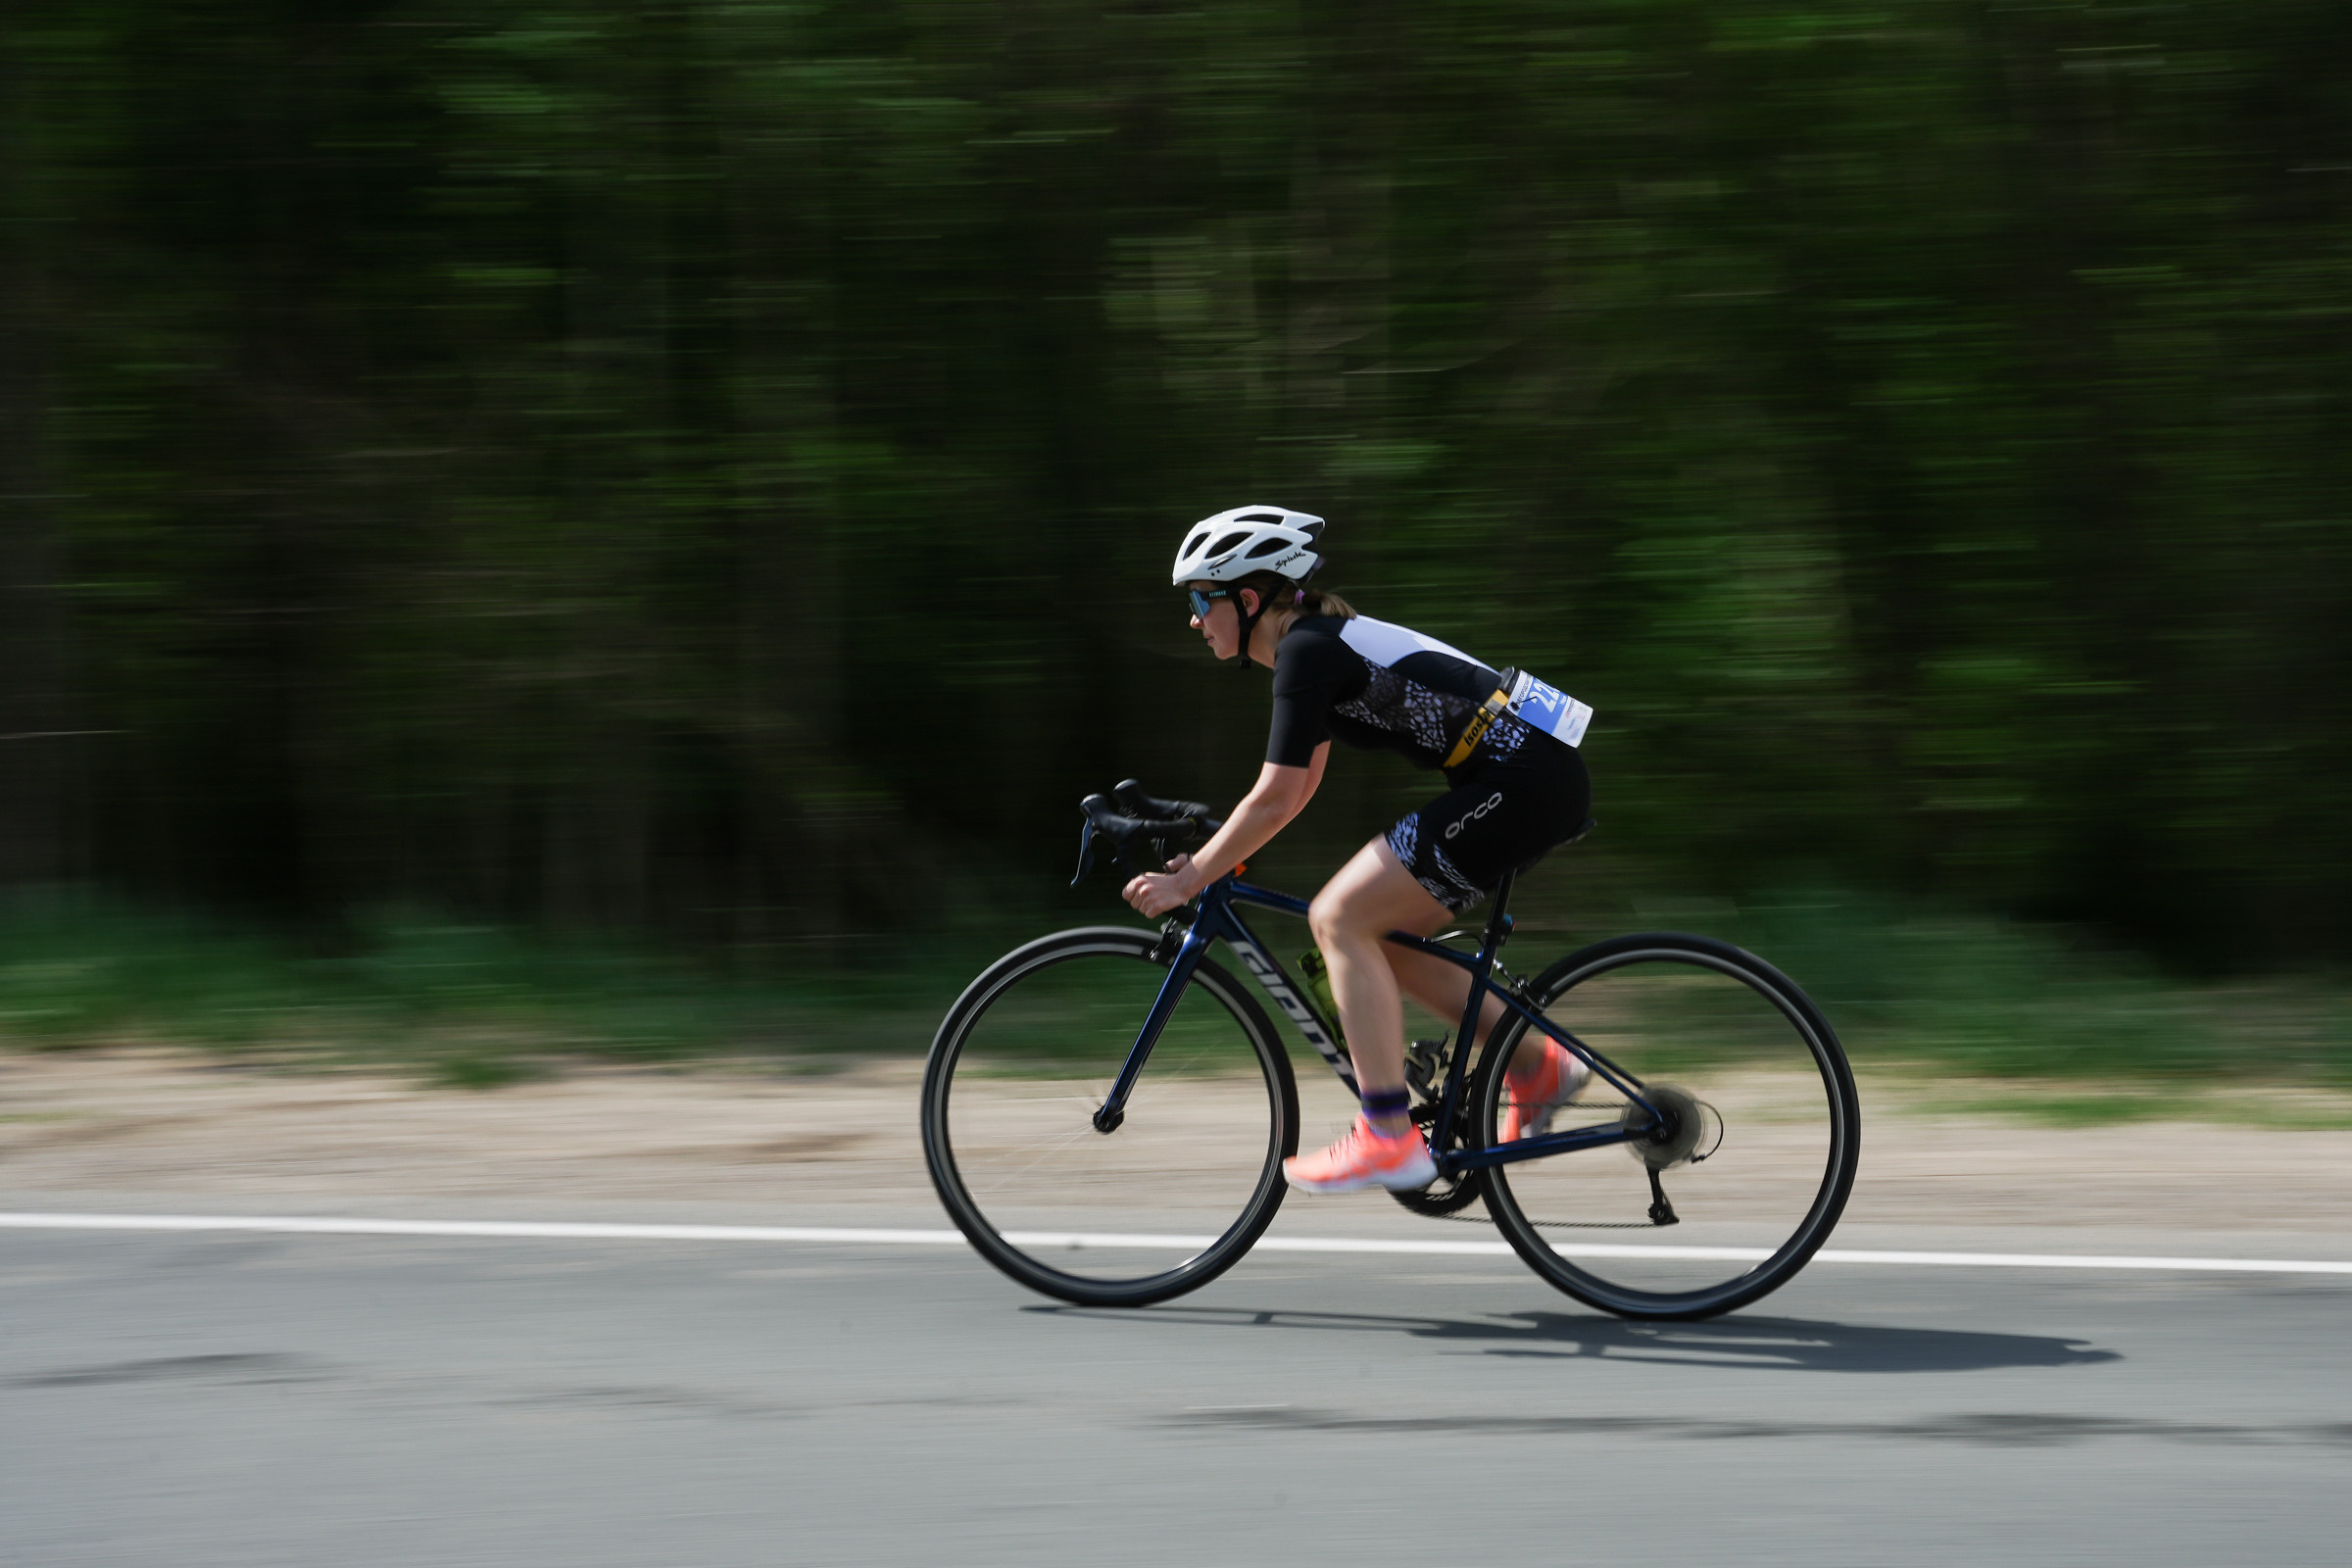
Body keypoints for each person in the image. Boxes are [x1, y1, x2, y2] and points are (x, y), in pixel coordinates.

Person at [1123, 505, 1596, 1194]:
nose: (1194, 619)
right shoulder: (1314, 646)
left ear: (1247, 599)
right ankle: (1535, 1063)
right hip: (1528, 777)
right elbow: (1297, 790)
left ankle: (1387, 1135)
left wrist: (1192, 877)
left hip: (1523, 780)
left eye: (1202, 600)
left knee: (1338, 918)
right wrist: (1211, 860)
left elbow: (1276, 797)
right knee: (1386, 938)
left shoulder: (1307, 651)